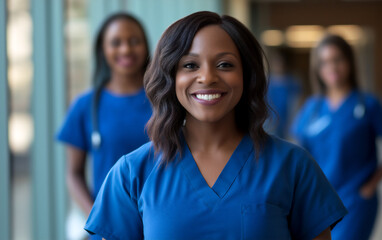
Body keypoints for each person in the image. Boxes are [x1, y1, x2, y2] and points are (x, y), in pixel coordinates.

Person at [84, 11, 347, 240]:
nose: (208, 77)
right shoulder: (131, 174)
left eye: (225, 64)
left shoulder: (293, 166)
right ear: (170, 76)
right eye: (190, 65)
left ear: (247, 74)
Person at [292, 34, 382, 240]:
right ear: (317, 68)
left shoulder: (368, 104)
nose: (331, 67)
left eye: (338, 59)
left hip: (355, 201)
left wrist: (370, 187)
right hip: (319, 201)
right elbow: (299, 153)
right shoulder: (312, 108)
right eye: (324, 62)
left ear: (349, 61)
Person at [57, 12, 152, 223]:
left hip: (163, 220)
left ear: (146, 46)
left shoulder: (165, 101)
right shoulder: (85, 106)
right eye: (116, 42)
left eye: (134, 41)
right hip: (110, 224)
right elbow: (74, 174)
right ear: (102, 49)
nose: (126, 49)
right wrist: (97, 218)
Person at [265, 46, 301, 139]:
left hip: (287, 127)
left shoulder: (293, 83)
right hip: (268, 127)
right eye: (277, 61)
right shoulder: (266, 83)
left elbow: (295, 108)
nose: (279, 64)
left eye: (281, 61)